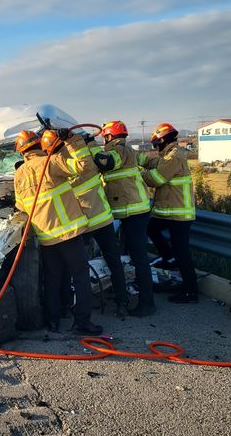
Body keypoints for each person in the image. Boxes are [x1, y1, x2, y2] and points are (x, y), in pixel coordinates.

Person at [13, 130, 102, 336]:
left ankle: (53, 321)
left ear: (22, 152)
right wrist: (73, 140)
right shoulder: (51, 162)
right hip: (69, 233)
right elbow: (84, 166)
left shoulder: (19, 174)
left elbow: (20, 205)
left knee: (52, 280)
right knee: (80, 277)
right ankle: (83, 323)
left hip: (46, 238)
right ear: (39, 146)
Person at [41, 129, 130, 317]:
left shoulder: (57, 166)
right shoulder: (82, 156)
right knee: (114, 261)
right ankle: (122, 302)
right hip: (102, 217)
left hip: (81, 224)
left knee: (71, 266)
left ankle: (67, 306)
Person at [100, 121, 156, 316]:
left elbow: (107, 162)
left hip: (134, 211)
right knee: (136, 256)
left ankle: (147, 304)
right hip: (131, 210)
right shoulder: (128, 148)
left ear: (108, 136)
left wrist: (88, 151)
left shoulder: (118, 148)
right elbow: (144, 160)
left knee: (140, 258)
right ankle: (138, 296)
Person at [140, 123, 197, 303]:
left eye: (157, 143)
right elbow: (153, 163)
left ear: (163, 140)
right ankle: (168, 258)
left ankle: (191, 292)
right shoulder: (167, 155)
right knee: (152, 229)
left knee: (183, 253)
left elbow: (157, 178)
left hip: (179, 214)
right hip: (169, 212)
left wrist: (136, 175)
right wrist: (135, 159)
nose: (156, 147)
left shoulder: (174, 157)